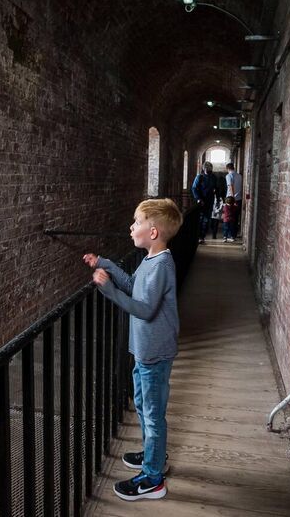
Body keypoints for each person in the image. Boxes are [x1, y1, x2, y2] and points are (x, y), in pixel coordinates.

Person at [83, 198, 182, 501]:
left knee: (152, 415)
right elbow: (132, 285)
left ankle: (153, 479)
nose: (131, 227)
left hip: (154, 351)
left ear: (152, 232)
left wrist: (107, 289)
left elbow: (144, 308)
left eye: (137, 222)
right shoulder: (151, 259)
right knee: (142, 404)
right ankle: (154, 454)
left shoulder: (161, 265)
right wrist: (105, 264)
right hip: (145, 350)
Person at [190, 161, 217, 244]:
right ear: (204, 168)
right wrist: (198, 198)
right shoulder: (200, 177)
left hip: (210, 201)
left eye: (210, 168)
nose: (209, 170)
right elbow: (194, 188)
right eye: (207, 168)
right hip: (201, 202)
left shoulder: (213, 177)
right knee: (200, 219)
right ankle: (198, 237)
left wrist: (215, 191)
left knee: (206, 220)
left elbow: (216, 187)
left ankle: (202, 237)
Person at [225, 161, 243, 238]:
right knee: (236, 217)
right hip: (239, 198)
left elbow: (231, 186)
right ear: (233, 168)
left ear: (227, 168)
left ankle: (230, 235)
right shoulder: (239, 176)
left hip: (231, 199)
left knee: (229, 217)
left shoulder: (229, 176)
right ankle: (234, 235)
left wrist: (233, 198)